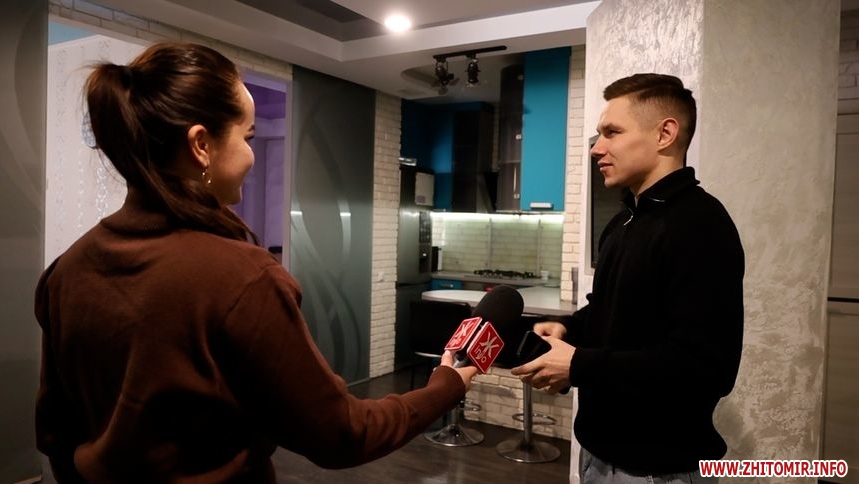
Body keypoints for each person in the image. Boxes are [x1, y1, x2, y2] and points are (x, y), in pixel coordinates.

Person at [34, 41, 478, 483]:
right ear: (201, 144)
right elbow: (343, 434)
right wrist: (446, 384)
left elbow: (55, 435)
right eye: (248, 137)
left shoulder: (66, 272)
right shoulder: (241, 277)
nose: (252, 154)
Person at [511, 73, 744, 482]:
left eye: (612, 132)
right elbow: (611, 311)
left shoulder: (701, 225)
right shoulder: (622, 222)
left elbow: (706, 368)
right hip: (596, 457)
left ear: (665, 134)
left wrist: (580, 365)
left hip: (656, 471)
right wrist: (569, 328)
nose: (596, 148)